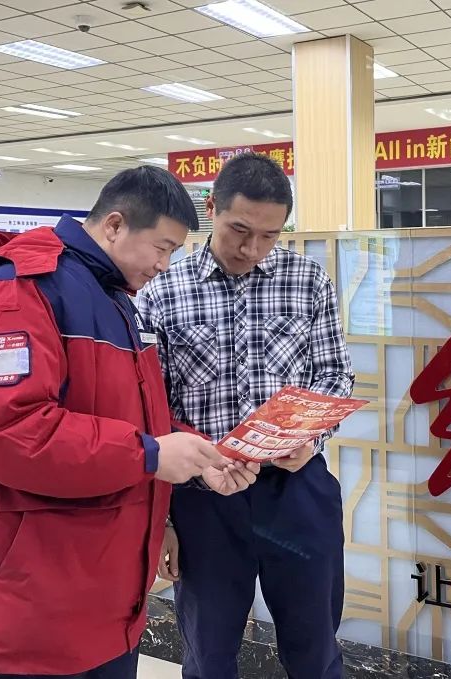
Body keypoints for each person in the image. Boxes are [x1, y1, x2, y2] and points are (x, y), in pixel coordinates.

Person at [0, 166, 260, 679]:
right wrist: (151, 455)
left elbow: (130, 414)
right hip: (25, 611)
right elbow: (11, 433)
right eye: (162, 248)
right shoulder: (17, 293)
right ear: (115, 225)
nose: (165, 266)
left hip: (96, 600)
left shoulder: (112, 299)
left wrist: (196, 454)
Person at [138, 153, 355, 679]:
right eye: (239, 230)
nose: (251, 249)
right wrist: (163, 518)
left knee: (315, 646)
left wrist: (312, 436)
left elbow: (334, 374)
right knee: (208, 652)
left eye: (269, 236)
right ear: (211, 208)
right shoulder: (162, 289)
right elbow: (147, 409)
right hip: (203, 497)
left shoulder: (308, 280)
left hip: (296, 488)